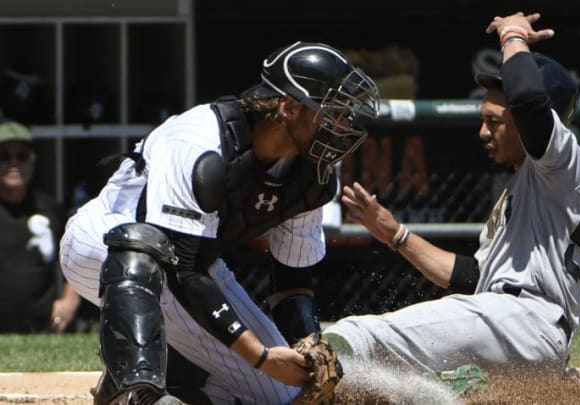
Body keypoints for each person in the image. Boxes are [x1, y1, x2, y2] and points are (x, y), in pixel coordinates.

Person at [59, 41, 379, 404]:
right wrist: (260, 355)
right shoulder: (202, 141)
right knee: (143, 247)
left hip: (194, 266)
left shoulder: (311, 176)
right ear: (289, 108)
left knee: (282, 394)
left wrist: (306, 349)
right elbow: (183, 268)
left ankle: (171, 377)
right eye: (331, 111)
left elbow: (292, 281)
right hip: (102, 245)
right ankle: (131, 387)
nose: (343, 123)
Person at [324, 11, 580, 378]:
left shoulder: (560, 163)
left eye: (495, 121)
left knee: (360, 336)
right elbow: (469, 276)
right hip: (512, 329)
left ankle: (280, 384)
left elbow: (529, 100)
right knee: (399, 372)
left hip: (527, 320)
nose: (483, 132)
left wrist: (512, 34)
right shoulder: (521, 189)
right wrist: (394, 234)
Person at [0, 119, 81, 334]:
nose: (13, 163)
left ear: (33, 160)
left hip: (42, 327)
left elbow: (77, 256)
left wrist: (69, 301)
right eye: (4, 156)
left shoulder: (50, 209)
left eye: (22, 156)